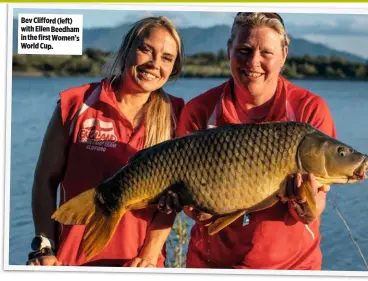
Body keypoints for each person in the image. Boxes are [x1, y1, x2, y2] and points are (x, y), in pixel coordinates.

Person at [174, 12, 336, 270]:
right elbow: (189, 206)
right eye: (244, 50)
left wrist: (306, 205)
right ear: (229, 51)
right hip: (212, 265)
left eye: (266, 53)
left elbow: (316, 207)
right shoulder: (199, 110)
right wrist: (196, 209)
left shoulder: (309, 110)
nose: (253, 62)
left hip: (292, 268)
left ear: (284, 55)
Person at [26, 16, 185, 267]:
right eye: (146, 49)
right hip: (70, 263)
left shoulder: (177, 114)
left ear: (174, 68)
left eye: (167, 57)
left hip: (139, 265)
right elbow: (45, 181)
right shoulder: (76, 103)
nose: (154, 64)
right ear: (126, 51)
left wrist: (150, 255)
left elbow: (174, 200)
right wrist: (44, 248)